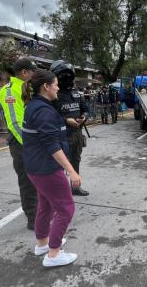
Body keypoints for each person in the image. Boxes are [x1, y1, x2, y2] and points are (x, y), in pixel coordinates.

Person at [21, 69, 79, 267]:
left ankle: (42, 244)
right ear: (46, 87)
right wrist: (71, 170)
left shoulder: (35, 105)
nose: (58, 87)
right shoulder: (43, 109)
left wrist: (64, 121)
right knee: (66, 208)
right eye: (55, 84)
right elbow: (51, 144)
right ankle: (54, 254)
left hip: (35, 165)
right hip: (46, 167)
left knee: (45, 206)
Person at [0, 58, 38, 230]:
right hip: (22, 142)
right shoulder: (9, 90)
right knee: (28, 181)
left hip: (34, 140)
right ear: (24, 72)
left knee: (40, 179)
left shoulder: (28, 87)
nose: (34, 74)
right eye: (33, 71)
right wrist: (31, 143)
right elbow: (15, 123)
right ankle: (33, 218)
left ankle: (41, 213)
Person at [50, 60, 89, 196]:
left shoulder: (76, 94)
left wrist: (84, 117)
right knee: (59, 163)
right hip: (61, 136)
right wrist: (66, 120)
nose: (66, 78)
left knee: (75, 160)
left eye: (68, 75)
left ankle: (75, 187)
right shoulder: (53, 95)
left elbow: (85, 109)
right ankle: (59, 191)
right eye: (62, 76)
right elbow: (51, 116)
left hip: (76, 133)